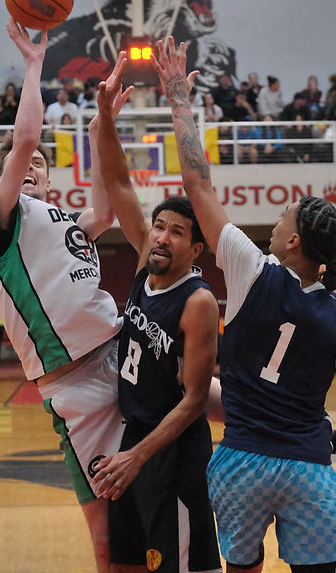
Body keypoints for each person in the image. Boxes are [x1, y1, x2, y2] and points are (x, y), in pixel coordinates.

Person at [153, 36, 336, 572]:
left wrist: (178, 98)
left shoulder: (249, 268)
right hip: (307, 466)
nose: (275, 220)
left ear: (292, 242)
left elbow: (196, 182)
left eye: (282, 216)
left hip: (240, 462)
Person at [0, 21, 125, 573]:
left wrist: (101, 131)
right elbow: (24, 141)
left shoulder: (65, 220)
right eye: (23, 163)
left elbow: (105, 211)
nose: (32, 164)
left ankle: (314, 435)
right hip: (75, 384)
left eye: (40, 163)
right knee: (107, 537)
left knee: (207, 399)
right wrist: (35, 65)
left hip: (122, 349)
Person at [91, 71, 222, 571]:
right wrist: (105, 118)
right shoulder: (146, 267)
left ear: (196, 249)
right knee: (127, 562)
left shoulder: (198, 302)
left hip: (172, 452)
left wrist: (137, 455)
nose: (162, 237)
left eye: (177, 232)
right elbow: (118, 182)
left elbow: (194, 401)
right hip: (133, 439)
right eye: (159, 227)